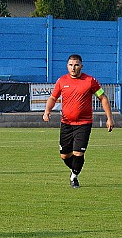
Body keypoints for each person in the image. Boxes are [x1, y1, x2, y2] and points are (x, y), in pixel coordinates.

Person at [43, 54, 114, 188]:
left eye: (76, 65)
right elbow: (53, 98)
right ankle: (75, 168)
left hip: (84, 123)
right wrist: (47, 111)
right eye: (70, 65)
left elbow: (103, 98)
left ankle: (74, 176)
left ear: (81, 66)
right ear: (67, 66)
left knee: (78, 153)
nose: (73, 68)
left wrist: (109, 118)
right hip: (66, 123)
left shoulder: (90, 81)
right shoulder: (62, 81)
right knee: (65, 155)